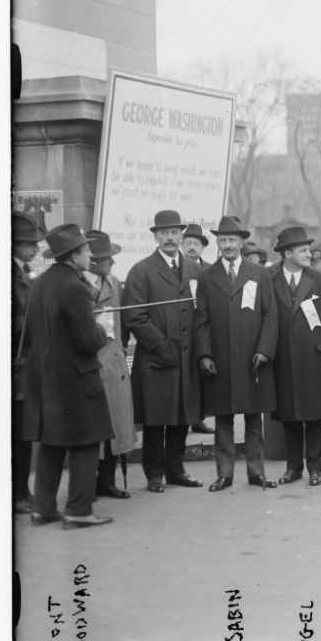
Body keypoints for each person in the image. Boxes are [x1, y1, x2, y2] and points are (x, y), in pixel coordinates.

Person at [22, 224, 114, 528]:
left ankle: (43, 509)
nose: (90, 255)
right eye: (86, 250)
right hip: (76, 376)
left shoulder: (38, 283)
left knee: (51, 442)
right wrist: (102, 329)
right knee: (87, 441)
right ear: (74, 256)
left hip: (43, 374)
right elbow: (88, 340)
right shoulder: (76, 287)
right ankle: (78, 511)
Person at [195, 216, 279, 491]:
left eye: (232, 240)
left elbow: (270, 316)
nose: (228, 245)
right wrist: (204, 355)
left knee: (254, 417)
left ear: (242, 242)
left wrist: (264, 350)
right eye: (223, 240)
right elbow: (202, 320)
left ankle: (256, 472)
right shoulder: (207, 277)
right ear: (217, 243)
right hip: (221, 358)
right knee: (223, 418)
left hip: (252, 358)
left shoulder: (259, 273)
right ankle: (225, 474)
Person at [123, 209, 204, 493]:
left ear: (182, 236)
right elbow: (134, 316)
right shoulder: (141, 270)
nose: (170, 238)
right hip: (156, 359)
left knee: (183, 417)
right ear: (156, 237)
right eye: (164, 233)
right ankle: (154, 474)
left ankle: (176, 470)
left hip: (187, 358)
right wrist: (160, 344)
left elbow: (202, 312)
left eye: (174, 233)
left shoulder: (195, 269)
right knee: (156, 419)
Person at [268, 226, 321, 487]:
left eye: (308, 250)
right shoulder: (270, 279)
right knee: (288, 416)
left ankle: (315, 468)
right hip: (283, 359)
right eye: (303, 250)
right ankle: (293, 468)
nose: (309, 254)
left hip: (314, 358)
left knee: (314, 416)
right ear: (287, 254)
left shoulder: (319, 280)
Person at [85, 231, 136, 500]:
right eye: (107, 258)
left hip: (113, 364)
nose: (113, 263)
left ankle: (107, 481)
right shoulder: (80, 285)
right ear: (92, 261)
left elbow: (121, 323)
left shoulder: (114, 282)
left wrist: (121, 352)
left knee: (116, 426)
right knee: (93, 428)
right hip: (91, 365)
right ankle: (86, 485)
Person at [12, 210, 46, 513]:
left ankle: (22, 490)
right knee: (15, 435)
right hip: (15, 365)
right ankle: (16, 494)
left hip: (25, 364)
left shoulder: (25, 272)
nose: (36, 248)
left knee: (23, 433)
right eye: (29, 243)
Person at [182, 223, 215, 434]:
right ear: (182, 245)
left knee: (202, 375)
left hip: (204, 328)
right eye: (188, 243)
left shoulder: (210, 270)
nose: (192, 247)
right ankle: (183, 419)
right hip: (183, 328)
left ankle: (199, 419)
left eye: (196, 244)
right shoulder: (178, 269)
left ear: (203, 248)